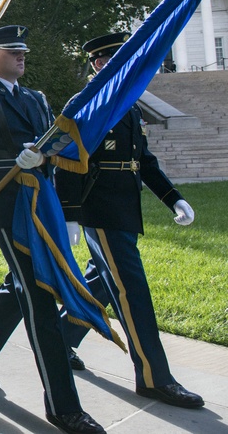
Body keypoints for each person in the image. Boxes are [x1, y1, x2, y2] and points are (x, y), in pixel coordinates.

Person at [0, 25, 105, 434]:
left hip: (41, 202)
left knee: (24, 282)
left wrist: (67, 210)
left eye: (23, 51)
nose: (21, 56)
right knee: (40, 294)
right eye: (12, 51)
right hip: (5, 204)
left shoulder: (37, 99)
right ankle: (63, 407)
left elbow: (57, 153)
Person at [56, 33, 203, 409]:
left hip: (123, 206)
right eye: (117, 58)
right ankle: (155, 377)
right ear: (100, 64)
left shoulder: (128, 103)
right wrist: (71, 214)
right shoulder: (90, 101)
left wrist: (174, 198)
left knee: (102, 284)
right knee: (132, 292)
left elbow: (144, 161)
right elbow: (67, 158)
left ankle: (59, 338)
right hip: (99, 207)